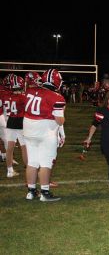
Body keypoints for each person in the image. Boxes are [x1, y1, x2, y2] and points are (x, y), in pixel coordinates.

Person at [24, 69, 66, 202]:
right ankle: (45, 193)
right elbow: (59, 120)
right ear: (57, 81)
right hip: (45, 131)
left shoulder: (30, 90)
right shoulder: (57, 97)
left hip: (28, 129)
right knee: (46, 163)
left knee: (32, 162)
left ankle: (31, 192)